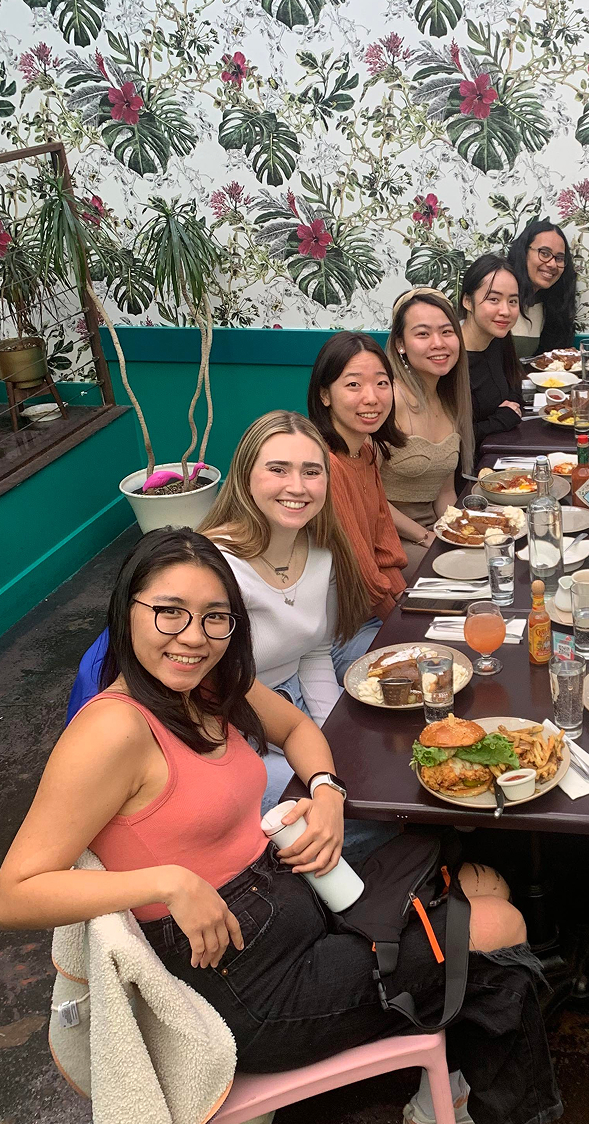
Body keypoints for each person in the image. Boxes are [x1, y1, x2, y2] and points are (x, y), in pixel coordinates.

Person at [0, 528, 560, 1124]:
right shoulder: (113, 730)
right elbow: (13, 894)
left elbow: (296, 730)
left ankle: (455, 1083)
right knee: (498, 927)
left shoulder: (206, 687)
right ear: (127, 609)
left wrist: (325, 794)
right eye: (168, 611)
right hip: (246, 991)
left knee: (470, 874)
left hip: (292, 900)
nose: (192, 636)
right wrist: (170, 882)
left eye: (214, 617)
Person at [196, 414, 388, 848]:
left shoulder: (322, 552)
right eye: (278, 469)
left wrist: (333, 736)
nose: (297, 486)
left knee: (378, 786)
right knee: (346, 818)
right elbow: (206, 687)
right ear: (246, 477)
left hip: (294, 708)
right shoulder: (211, 565)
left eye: (311, 471)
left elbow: (315, 654)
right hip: (229, 726)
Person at [306, 330, 410, 656]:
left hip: (373, 617)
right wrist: (405, 626)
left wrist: (408, 607)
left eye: (381, 383)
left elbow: (385, 551)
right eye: (353, 385)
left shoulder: (363, 452)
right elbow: (363, 574)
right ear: (325, 395)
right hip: (336, 634)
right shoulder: (325, 464)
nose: (372, 397)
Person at [382, 288, 475, 579]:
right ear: (401, 344)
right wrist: (426, 538)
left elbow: (445, 492)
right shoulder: (388, 399)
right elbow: (366, 497)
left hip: (431, 531)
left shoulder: (449, 399)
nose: (439, 343)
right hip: (386, 538)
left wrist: (463, 532)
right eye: (423, 334)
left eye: (447, 332)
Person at [459, 253, 525, 443]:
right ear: (467, 302)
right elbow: (450, 439)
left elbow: (513, 383)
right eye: (494, 300)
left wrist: (510, 409)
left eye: (512, 301)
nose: (505, 311)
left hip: (500, 450)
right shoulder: (448, 356)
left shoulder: (498, 337)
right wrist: (499, 421)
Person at [507, 219, 578, 357]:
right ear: (523, 252)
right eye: (544, 253)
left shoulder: (547, 306)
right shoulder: (499, 302)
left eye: (559, 258)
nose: (552, 264)